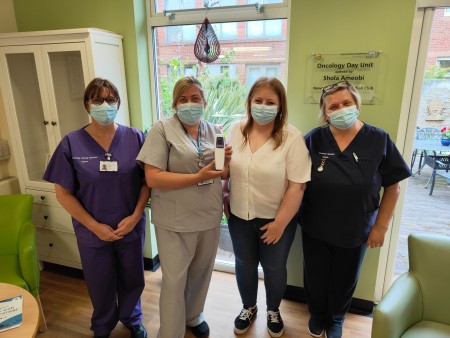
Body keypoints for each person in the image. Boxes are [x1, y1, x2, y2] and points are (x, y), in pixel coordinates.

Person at [298, 80, 412, 338]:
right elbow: (296, 181)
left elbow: (393, 186)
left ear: (357, 104)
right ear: (325, 112)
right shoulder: (313, 139)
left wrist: (380, 228)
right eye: (333, 106)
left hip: (357, 227)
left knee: (345, 277)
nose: (341, 109)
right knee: (315, 275)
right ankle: (316, 314)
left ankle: (336, 318)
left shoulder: (378, 138)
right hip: (316, 225)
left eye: (346, 103)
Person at [43, 78, 150, 338]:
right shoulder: (71, 143)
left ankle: (132, 318)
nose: (105, 105)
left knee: (132, 277)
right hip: (92, 231)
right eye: (98, 100)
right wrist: (94, 226)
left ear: (118, 103)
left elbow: (148, 182)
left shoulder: (136, 138)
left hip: (129, 227)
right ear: (87, 104)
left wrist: (136, 216)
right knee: (99, 282)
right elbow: (64, 193)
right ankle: (102, 325)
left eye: (110, 99)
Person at [136, 76, 232, 338]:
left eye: (195, 98)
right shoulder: (162, 129)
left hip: (209, 216)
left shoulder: (215, 130)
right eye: (183, 99)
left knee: (201, 274)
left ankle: (193, 314)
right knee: (175, 280)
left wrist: (228, 165)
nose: (190, 104)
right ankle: (170, 332)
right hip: (174, 220)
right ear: (175, 103)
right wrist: (197, 178)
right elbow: (152, 177)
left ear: (204, 101)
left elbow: (222, 175)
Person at [222, 77, 311, 337]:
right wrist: (223, 180)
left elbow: (298, 186)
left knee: (274, 267)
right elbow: (227, 172)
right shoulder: (236, 130)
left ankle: (273, 309)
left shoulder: (291, 137)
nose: (263, 106)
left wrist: (280, 224)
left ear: (280, 105)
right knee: (244, 264)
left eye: (270, 102)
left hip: (276, 218)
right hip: (239, 215)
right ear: (249, 102)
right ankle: (248, 307)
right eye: (258, 100)